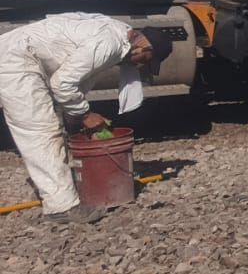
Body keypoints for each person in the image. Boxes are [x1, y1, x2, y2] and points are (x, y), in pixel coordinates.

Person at [0, 14, 172, 224]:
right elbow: (62, 84)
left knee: (50, 129)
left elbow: (78, 80)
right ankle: (61, 207)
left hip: (23, 54)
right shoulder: (109, 44)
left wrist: (75, 116)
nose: (139, 67)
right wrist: (85, 115)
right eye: (145, 61)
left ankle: (63, 189)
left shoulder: (117, 36)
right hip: (16, 59)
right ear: (143, 47)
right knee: (40, 131)